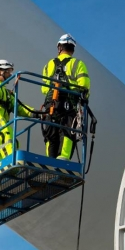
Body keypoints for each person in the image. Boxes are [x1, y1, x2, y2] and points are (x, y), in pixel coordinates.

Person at [41, 33, 90, 161]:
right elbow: (84, 86)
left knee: (50, 131)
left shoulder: (49, 64)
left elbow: (44, 89)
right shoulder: (78, 64)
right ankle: (63, 158)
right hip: (69, 104)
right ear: (72, 49)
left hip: (50, 104)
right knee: (67, 130)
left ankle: (49, 160)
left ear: (59, 47)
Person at [0, 59, 38, 164]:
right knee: (4, 136)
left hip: (3, 123)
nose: (10, 75)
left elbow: (20, 108)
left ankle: (7, 160)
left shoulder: (7, 94)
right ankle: (8, 160)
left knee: (11, 139)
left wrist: (38, 113)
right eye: (8, 71)